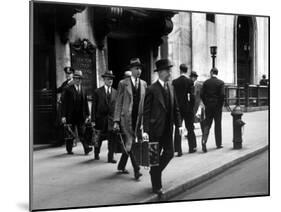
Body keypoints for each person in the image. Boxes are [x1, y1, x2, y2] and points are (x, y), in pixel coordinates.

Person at [143, 59, 182, 196]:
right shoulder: (151, 89)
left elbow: (176, 108)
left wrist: (179, 125)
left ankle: (155, 171)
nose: (170, 73)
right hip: (155, 130)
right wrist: (145, 130)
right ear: (160, 72)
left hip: (167, 129)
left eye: (170, 70)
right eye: (167, 70)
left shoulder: (171, 87)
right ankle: (156, 186)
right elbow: (146, 112)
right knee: (154, 158)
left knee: (169, 153)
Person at [113, 58, 147, 180]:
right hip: (125, 118)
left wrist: (145, 121)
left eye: (140, 68)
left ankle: (121, 165)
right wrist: (116, 120)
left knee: (130, 143)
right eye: (136, 68)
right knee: (131, 142)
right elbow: (118, 102)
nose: (139, 71)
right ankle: (136, 169)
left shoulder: (143, 84)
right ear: (131, 70)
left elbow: (144, 103)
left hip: (138, 119)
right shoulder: (123, 83)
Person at [61, 70, 93, 155]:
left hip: (80, 115)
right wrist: (63, 116)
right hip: (70, 115)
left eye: (79, 79)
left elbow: (85, 103)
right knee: (70, 133)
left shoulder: (83, 89)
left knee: (82, 132)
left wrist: (88, 114)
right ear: (74, 79)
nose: (78, 80)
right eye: (76, 79)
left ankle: (86, 148)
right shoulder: (68, 89)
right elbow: (64, 104)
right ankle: (69, 149)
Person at [91, 70, 117, 163]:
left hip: (111, 120)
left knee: (112, 140)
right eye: (108, 79)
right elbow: (94, 107)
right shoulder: (98, 92)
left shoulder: (115, 92)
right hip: (100, 119)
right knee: (99, 138)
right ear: (104, 80)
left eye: (112, 79)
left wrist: (117, 120)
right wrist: (93, 120)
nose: (110, 81)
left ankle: (110, 157)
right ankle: (96, 153)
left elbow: (117, 108)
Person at [172, 64, 196, 156]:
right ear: (187, 70)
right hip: (187, 108)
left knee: (178, 128)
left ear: (180, 70)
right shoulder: (190, 82)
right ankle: (192, 147)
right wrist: (191, 107)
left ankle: (178, 150)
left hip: (178, 108)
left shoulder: (175, 82)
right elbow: (192, 96)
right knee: (190, 127)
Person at [200, 68, 225, 153]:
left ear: (211, 73)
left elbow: (201, 94)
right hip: (217, 107)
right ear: (217, 73)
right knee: (218, 124)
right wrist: (220, 105)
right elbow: (222, 95)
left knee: (207, 123)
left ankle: (204, 140)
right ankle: (218, 144)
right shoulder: (221, 83)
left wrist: (206, 102)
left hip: (209, 106)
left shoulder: (206, 82)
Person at [55, 66, 74, 147]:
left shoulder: (74, 83)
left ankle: (71, 142)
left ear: (72, 74)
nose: (68, 75)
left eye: (69, 74)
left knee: (70, 125)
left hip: (70, 107)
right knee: (62, 123)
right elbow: (59, 90)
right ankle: (63, 141)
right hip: (63, 106)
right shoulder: (65, 83)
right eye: (67, 74)